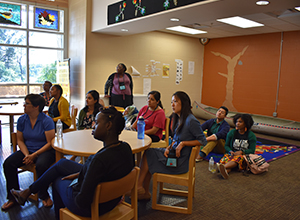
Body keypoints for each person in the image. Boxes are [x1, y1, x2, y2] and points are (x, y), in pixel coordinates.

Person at [11, 107, 135, 219]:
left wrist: (75, 183)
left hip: (93, 207)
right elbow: (105, 172)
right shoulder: (125, 147)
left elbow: (82, 202)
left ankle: (57, 215)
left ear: (108, 126)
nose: (93, 125)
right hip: (113, 200)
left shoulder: (99, 160)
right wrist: (81, 174)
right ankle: (27, 191)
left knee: (58, 180)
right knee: (62, 163)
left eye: (96, 123)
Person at [136, 91, 207, 200]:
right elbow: (176, 138)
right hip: (173, 155)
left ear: (183, 103)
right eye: (171, 102)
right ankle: (143, 190)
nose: (172, 104)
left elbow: (203, 141)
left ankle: (139, 187)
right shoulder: (179, 118)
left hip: (178, 162)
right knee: (149, 153)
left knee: (149, 154)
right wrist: (169, 147)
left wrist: (183, 144)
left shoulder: (191, 121)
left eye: (175, 102)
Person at [1, 94, 55, 211]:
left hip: (44, 150)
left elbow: (50, 143)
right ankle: (13, 196)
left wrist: (35, 155)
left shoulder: (47, 120)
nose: (24, 105)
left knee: (41, 165)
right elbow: (20, 140)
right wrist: (27, 155)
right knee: (8, 163)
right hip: (28, 150)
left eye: (27, 103)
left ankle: (43, 195)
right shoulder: (22, 119)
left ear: (36, 107)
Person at [218, 113, 257, 179]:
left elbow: (252, 150)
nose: (237, 124)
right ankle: (225, 171)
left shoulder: (251, 135)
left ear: (246, 124)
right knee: (227, 158)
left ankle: (222, 167)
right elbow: (226, 146)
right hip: (232, 154)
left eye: (240, 122)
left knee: (238, 158)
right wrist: (230, 151)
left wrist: (242, 152)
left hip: (244, 157)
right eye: (236, 121)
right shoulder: (232, 133)